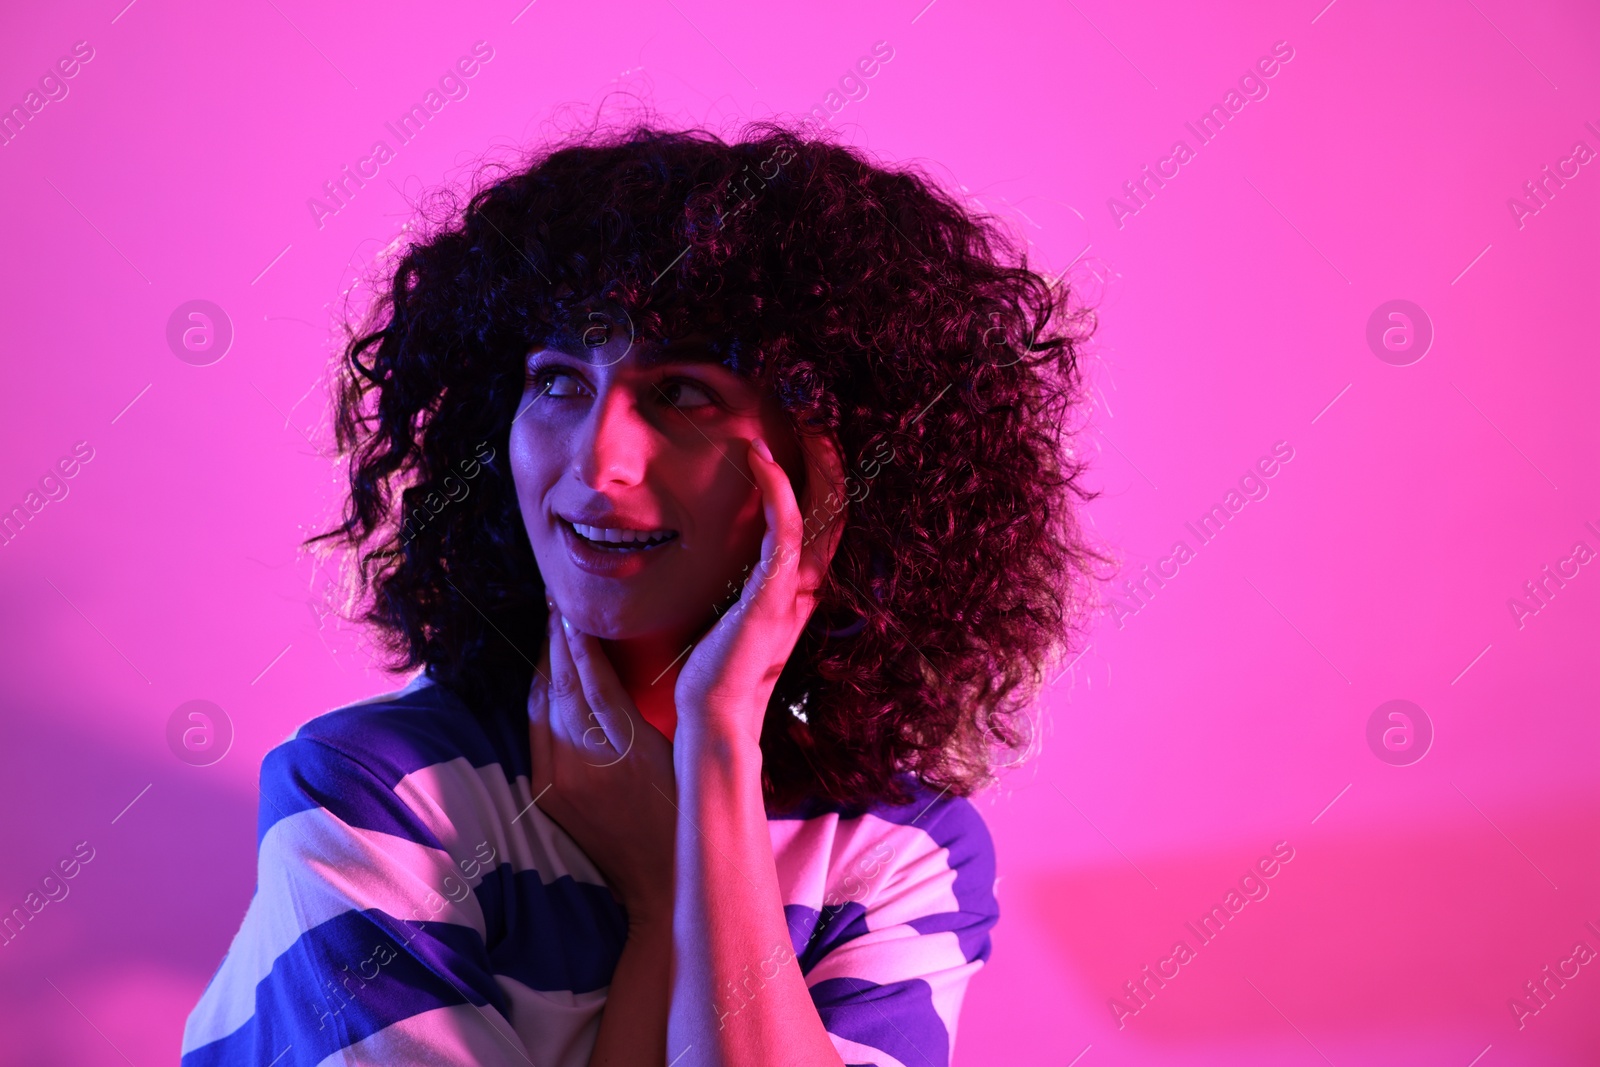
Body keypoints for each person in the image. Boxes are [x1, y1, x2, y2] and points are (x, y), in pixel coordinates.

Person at [180, 121, 1102, 1066]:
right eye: (556, 381)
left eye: (685, 393)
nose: (598, 461)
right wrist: (665, 902)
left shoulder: (899, 851)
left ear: (829, 470)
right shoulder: (371, 795)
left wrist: (714, 758)